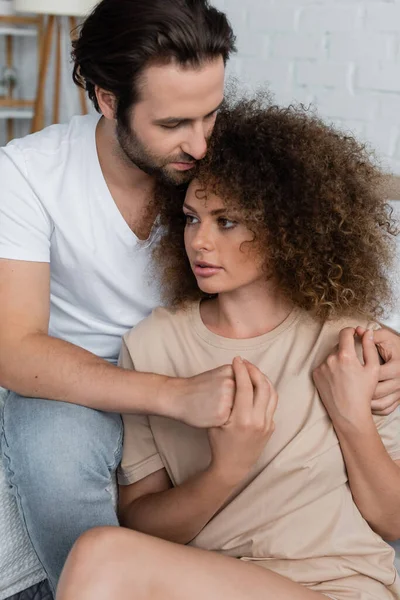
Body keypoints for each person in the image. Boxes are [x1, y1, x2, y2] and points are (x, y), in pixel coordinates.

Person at [57, 96, 400, 600]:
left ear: (287, 228)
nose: (199, 241)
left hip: (338, 588)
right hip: (204, 586)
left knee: (99, 554)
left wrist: (351, 415)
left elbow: (391, 520)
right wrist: (227, 469)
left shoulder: (354, 343)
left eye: (227, 221)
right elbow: (143, 525)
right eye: (192, 218)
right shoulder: (153, 345)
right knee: (102, 552)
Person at [0, 0, 237, 594]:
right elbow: (14, 349)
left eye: (211, 114)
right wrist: (173, 397)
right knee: (53, 459)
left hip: (197, 357)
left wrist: (372, 336)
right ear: (108, 100)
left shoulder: (229, 159)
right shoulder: (27, 173)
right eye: (173, 125)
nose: (201, 144)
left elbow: (305, 267)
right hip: (74, 381)